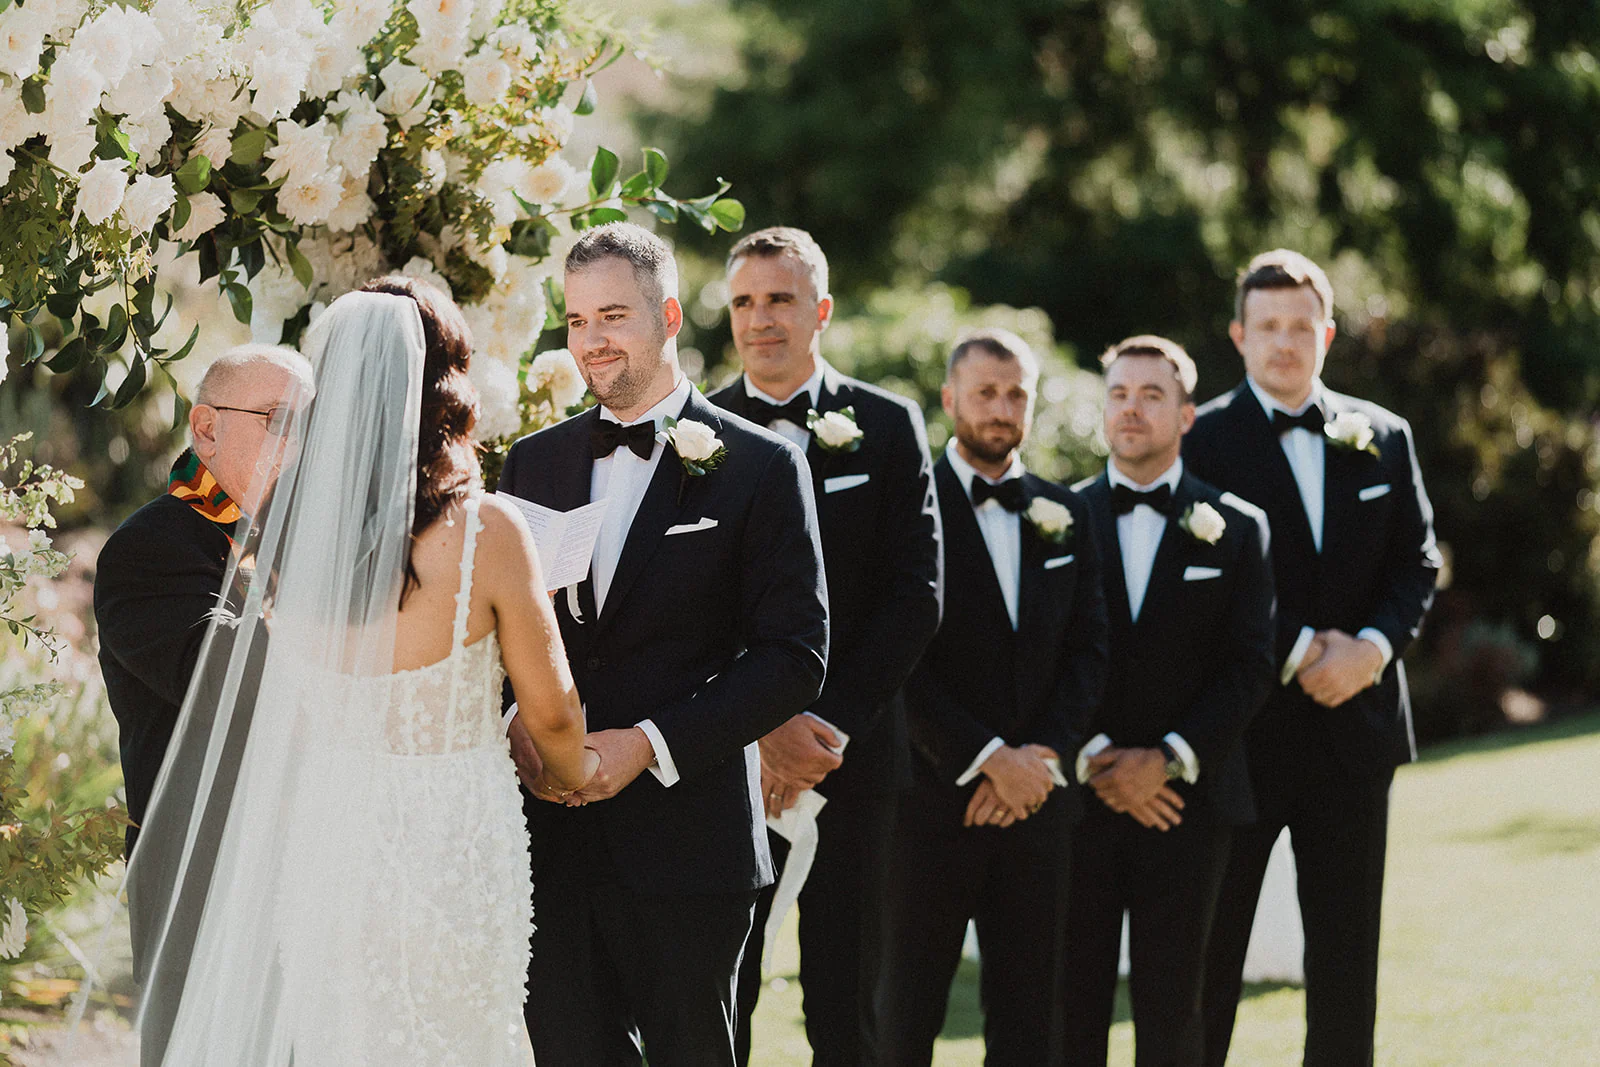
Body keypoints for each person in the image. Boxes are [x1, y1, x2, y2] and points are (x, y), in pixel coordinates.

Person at [116, 280, 595, 1066]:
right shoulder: (486, 530)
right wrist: (574, 772)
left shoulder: (286, 538)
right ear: (451, 382)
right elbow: (553, 717)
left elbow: (289, 699)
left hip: (329, 835)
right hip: (452, 834)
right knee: (460, 1034)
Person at [495, 222, 830, 1067]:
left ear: (669, 315)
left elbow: (795, 652)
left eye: (614, 316)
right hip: (550, 848)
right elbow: (496, 632)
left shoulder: (760, 467)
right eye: (576, 321)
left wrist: (648, 746)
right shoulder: (531, 466)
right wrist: (515, 723)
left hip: (690, 849)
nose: (593, 341)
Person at [1185, 251, 1441, 1067]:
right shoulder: (1202, 442)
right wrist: (1298, 649)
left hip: (1357, 731)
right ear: (1239, 336)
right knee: (1209, 958)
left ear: (1327, 334)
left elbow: (1418, 563)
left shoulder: (1384, 437)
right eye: (1269, 327)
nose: (1285, 342)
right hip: (1244, 736)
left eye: (1302, 326)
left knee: (1344, 961)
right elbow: (1205, 583)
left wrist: (1371, 648)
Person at [708, 226, 942, 1067]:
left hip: (855, 758)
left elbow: (916, 593)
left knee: (847, 997)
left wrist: (826, 727)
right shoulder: (695, 430)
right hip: (728, 760)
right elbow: (688, 603)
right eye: (744, 301)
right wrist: (759, 723)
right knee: (721, 986)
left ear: (822, 310)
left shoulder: (886, 425)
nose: (760, 318)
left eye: (780, 299)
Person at [876, 328, 1108, 1067]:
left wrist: (1037, 759)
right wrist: (983, 758)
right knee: (905, 1015)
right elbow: (898, 659)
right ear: (950, 399)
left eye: (1017, 394)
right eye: (985, 391)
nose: (1002, 408)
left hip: (1037, 807)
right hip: (930, 804)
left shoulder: (1066, 513)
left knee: (1031, 1019)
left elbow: (1089, 652)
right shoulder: (907, 510)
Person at [1063, 336, 1274, 1066]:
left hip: (1193, 805)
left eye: (1152, 395)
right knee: (1071, 1009)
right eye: (1119, 393)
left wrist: (1169, 760)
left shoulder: (1238, 527)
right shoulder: (1056, 520)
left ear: (1186, 415)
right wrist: (1097, 759)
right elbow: (1041, 661)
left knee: (1178, 1010)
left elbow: (1250, 666)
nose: (1131, 409)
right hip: (1079, 805)